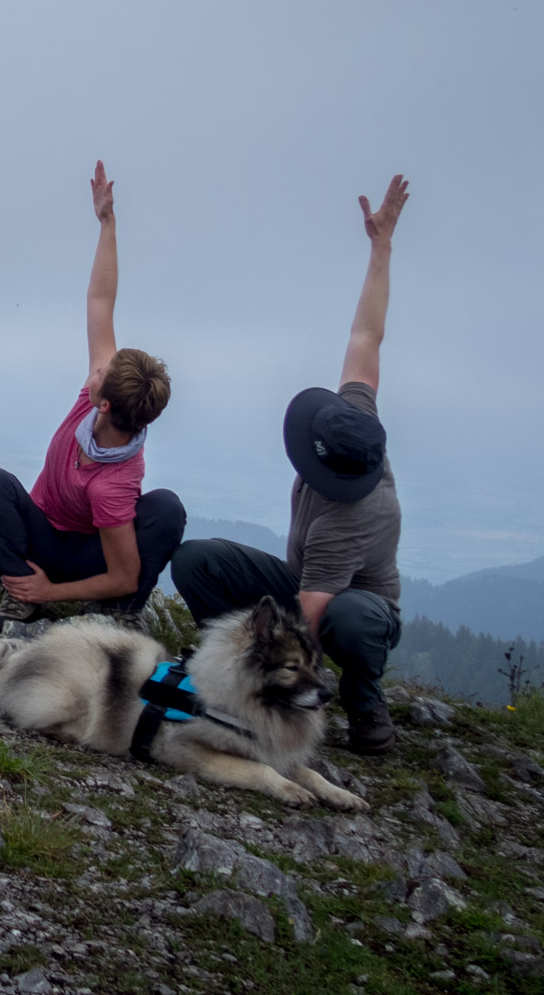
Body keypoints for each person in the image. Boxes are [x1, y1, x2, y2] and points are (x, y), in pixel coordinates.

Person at [171, 175, 411, 754]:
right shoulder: (353, 423)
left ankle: (357, 699)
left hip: (352, 603)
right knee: (197, 562)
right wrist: (381, 247)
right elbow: (366, 337)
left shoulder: (352, 517)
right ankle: (231, 660)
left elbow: (308, 622)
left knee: (350, 620)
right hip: (306, 582)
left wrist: (280, 667)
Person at [0, 161, 185, 631]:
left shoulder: (114, 483)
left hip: (94, 558)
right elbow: (100, 302)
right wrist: (108, 223)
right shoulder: (106, 402)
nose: (96, 369)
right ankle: (19, 591)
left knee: (166, 508)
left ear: (104, 403)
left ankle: (104, 612)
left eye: (101, 375)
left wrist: (53, 592)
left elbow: (125, 573)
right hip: (44, 536)